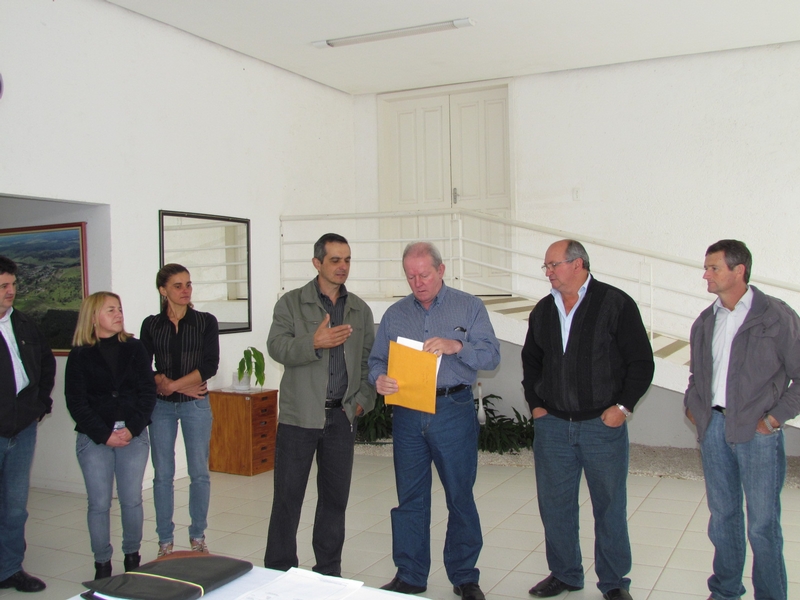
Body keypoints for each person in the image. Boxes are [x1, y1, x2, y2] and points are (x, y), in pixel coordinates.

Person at [521, 239, 654, 600]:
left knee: (609, 506)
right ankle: (565, 573)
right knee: (555, 505)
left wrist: (622, 408)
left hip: (601, 426)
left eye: (553, 265)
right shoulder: (543, 310)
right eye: (546, 267)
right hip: (553, 426)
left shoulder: (615, 303)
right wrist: (536, 405)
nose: (548, 273)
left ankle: (614, 582)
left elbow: (641, 362)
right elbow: (531, 361)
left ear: (578, 264)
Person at [368, 242, 500, 600]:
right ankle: (410, 574)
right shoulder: (395, 314)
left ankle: (464, 576)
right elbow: (376, 360)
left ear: (441, 270)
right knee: (410, 497)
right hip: (408, 412)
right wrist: (379, 379)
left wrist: (458, 347)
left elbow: (491, 355)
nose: (418, 283)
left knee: (459, 495)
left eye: (424, 275)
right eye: (410, 276)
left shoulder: (469, 307)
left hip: (452, 408)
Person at [684, 239, 800, 600]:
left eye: (713, 268)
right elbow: (697, 376)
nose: (706, 275)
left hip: (758, 433)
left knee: (762, 524)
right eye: (706, 268)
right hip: (714, 430)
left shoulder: (776, 316)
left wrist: (773, 420)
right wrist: (693, 408)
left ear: (739, 271)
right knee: (723, 517)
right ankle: (725, 591)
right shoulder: (706, 320)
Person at [264, 233, 376, 576]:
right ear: (317, 263)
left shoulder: (359, 309)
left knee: (334, 500)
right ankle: (278, 569)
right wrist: (313, 342)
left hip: (342, 416)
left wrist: (361, 401)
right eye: (335, 260)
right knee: (287, 497)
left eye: (347, 260)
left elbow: (369, 361)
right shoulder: (291, 303)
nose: (343, 267)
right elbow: (276, 347)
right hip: (299, 417)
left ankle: (328, 571)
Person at [65, 292, 157, 580]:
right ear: (93, 317)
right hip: (95, 438)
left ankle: (132, 558)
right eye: (110, 310)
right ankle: (102, 564)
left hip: (133, 434)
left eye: (119, 309)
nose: (118, 314)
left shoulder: (136, 348)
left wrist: (132, 428)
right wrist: (104, 434)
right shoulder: (79, 354)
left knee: (131, 500)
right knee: (99, 504)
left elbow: (147, 392)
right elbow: (76, 402)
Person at [140, 264, 219, 557]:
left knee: (199, 472)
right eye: (177, 285)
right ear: (163, 290)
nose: (185, 290)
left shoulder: (205, 322)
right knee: (163, 474)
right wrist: (164, 384)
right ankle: (165, 541)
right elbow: (142, 366)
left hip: (195, 405)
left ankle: (197, 536)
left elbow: (210, 365)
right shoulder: (151, 325)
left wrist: (172, 385)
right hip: (161, 407)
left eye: (188, 284)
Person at [0, 256, 55, 594]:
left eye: (13, 284)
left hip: (22, 429)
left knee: (15, 507)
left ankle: (9, 569)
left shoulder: (24, 324)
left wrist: (41, 405)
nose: (11, 291)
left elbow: (46, 366)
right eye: (3, 286)